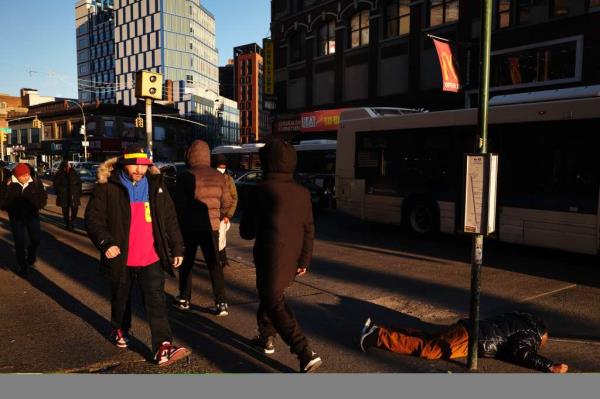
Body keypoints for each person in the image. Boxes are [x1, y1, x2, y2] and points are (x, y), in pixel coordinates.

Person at [85, 144, 190, 367]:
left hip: (151, 257)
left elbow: (170, 219)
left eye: (143, 165)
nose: (139, 170)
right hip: (121, 258)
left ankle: (163, 346)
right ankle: (119, 328)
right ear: (124, 164)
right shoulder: (108, 187)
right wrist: (106, 243)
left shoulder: (156, 186)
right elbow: (93, 220)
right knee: (121, 299)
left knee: (156, 301)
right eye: (135, 165)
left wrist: (178, 247)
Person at [240, 139, 322, 373]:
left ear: (266, 162)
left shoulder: (261, 190)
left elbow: (246, 232)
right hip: (294, 257)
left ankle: (304, 351)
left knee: (274, 301)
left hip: (270, 256)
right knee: (270, 296)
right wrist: (304, 259)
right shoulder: (302, 192)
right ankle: (265, 338)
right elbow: (309, 228)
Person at [359, 310, 569, 373]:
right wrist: (549, 365)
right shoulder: (531, 335)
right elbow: (522, 353)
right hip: (471, 339)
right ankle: (376, 336)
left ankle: (380, 328)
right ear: (541, 335)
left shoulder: (518, 318)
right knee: (430, 349)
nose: (539, 345)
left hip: (466, 328)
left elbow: (507, 347)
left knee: (428, 337)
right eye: (542, 343)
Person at [173, 140, 232, 316]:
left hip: (189, 227)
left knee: (187, 263)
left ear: (190, 155)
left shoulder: (185, 176)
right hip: (211, 226)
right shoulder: (218, 176)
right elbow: (227, 202)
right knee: (214, 264)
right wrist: (219, 215)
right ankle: (221, 302)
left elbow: (178, 204)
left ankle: (184, 298)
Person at [0, 163, 47, 276]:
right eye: (24, 175)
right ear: (17, 175)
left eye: (28, 174)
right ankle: (22, 266)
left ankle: (31, 253)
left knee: (36, 239)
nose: (27, 177)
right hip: (16, 217)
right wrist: (9, 207)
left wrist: (39, 205)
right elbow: (2, 199)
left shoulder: (35, 182)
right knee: (19, 242)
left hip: (32, 216)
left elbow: (43, 196)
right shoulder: (8, 183)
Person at [213, 153, 238, 268]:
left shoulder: (229, 179)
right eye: (220, 167)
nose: (222, 169)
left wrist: (228, 214)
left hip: (223, 215)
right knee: (215, 238)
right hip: (212, 213)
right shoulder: (210, 177)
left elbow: (234, 197)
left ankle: (223, 259)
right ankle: (218, 260)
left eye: (224, 167)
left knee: (221, 237)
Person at [53, 161, 82, 230]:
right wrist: (60, 192)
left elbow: (79, 183)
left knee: (75, 209)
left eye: (69, 165)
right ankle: (67, 224)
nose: (69, 166)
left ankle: (72, 221)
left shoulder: (74, 173)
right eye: (68, 165)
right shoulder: (59, 173)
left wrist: (78, 192)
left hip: (73, 195)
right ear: (64, 167)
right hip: (64, 196)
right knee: (65, 211)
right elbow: (56, 185)